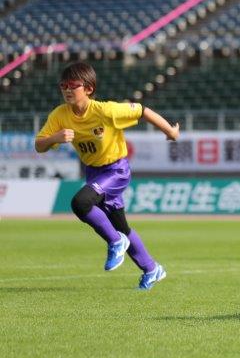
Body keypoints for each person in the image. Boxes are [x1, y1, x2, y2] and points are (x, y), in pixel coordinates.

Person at [34, 61, 177, 290]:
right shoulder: (60, 115)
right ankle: (152, 269)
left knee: (80, 203)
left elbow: (142, 110)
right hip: (93, 174)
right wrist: (54, 138)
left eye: (73, 85)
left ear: (88, 89)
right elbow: (39, 145)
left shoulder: (105, 110)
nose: (67, 90)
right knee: (122, 226)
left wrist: (170, 131)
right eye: (63, 85)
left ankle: (115, 241)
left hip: (116, 170)